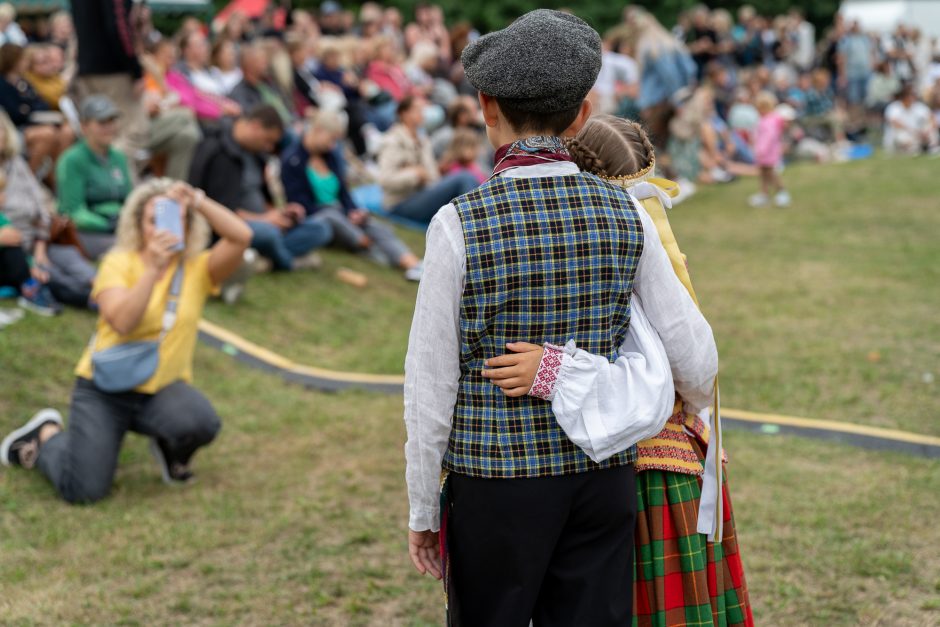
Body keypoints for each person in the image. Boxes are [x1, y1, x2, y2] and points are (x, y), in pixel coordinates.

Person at [404, 11, 708, 625]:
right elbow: (696, 361)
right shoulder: (629, 215)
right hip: (602, 480)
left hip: (494, 481)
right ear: (582, 114)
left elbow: (430, 384)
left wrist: (422, 510)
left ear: (486, 106)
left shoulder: (457, 223)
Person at [483, 114, 753, 627]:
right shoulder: (623, 236)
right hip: (625, 471)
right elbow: (696, 367)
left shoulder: (547, 236)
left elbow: (690, 362)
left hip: (595, 470)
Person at [0, 178, 253, 501]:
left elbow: (241, 236)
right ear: (138, 225)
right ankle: (45, 437)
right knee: (84, 490)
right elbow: (122, 321)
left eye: (177, 218)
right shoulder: (118, 263)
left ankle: (169, 450)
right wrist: (153, 271)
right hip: (104, 388)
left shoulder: (197, 268)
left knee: (200, 421)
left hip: (158, 390)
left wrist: (198, 199)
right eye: (154, 219)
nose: (166, 227)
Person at [281, 110, 422, 281]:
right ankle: (364, 243)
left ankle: (412, 264)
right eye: (331, 139)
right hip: (318, 216)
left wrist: (353, 211)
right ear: (317, 130)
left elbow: (343, 193)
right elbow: (299, 203)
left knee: (372, 224)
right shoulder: (292, 160)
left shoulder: (331, 157)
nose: (333, 145)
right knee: (330, 215)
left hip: (340, 213)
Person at [188, 104, 331, 272]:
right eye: (268, 140)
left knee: (321, 228)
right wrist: (265, 219)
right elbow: (222, 210)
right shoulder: (221, 152)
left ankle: (261, 255)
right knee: (269, 234)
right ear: (255, 126)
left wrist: (281, 212)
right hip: (235, 225)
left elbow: (263, 196)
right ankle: (286, 262)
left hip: (262, 221)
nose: (269, 147)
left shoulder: (255, 155)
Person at [0, 113, 95, 308]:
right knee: (52, 276)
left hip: (38, 240)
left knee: (71, 259)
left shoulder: (15, 164)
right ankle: (98, 300)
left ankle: (108, 287)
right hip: (12, 253)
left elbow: (40, 205)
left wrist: (41, 246)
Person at [71, 0, 150, 166]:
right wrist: (135, 70)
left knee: (98, 135)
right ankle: (118, 186)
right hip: (114, 73)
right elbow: (119, 28)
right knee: (130, 134)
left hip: (87, 70)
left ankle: (103, 185)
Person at [377, 95, 478, 225]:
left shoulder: (422, 140)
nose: (422, 113)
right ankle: (476, 227)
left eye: (423, 109)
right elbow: (385, 180)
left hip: (423, 194)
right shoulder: (392, 141)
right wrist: (415, 174)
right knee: (464, 177)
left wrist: (424, 173)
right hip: (400, 203)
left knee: (469, 178)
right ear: (404, 114)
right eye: (417, 109)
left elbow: (433, 176)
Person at [55, 96, 133, 260]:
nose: (109, 127)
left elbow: (130, 199)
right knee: (129, 251)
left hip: (121, 226)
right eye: (102, 122)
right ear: (84, 127)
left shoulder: (118, 157)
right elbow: (73, 211)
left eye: (111, 121)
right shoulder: (72, 160)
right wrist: (106, 224)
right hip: (88, 232)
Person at [749, 91, 790, 207]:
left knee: (771, 173)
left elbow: (768, 138)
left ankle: (782, 192)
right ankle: (764, 194)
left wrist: (761, 150)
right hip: (764, 153)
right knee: (763, 174)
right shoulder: (765, 120)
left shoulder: (769, 122)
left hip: (768, 153)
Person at [883, 84, 939, 155]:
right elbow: (895, 123)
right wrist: (914, 131)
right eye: (909, 96)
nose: (911, 99)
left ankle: (929, 147)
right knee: (903, 138)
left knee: (931, 129)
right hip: (904, 133)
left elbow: (932, 118)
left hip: (918, 133)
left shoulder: (918, 106)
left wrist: (927, 131)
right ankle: (917, 148)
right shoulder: (893, 107)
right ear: (903, 97)